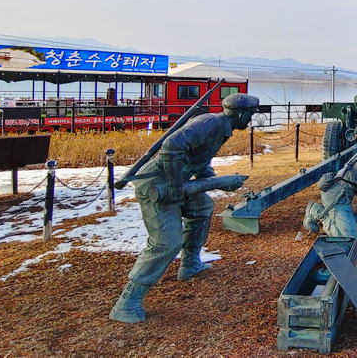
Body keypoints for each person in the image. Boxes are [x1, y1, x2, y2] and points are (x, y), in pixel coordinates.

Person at [109, 92, 259, 324]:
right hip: (157, 187)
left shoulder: (222, 128)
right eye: (250, 115)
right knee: (166, 243)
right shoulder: (211, 123)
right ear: (241, 114)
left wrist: (212, 179)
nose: (251, 119)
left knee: (202, 207)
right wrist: (176, 186)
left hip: (178, 185)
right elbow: (171, 145)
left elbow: (199, 158)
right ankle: (127, 303)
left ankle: (189, 264)